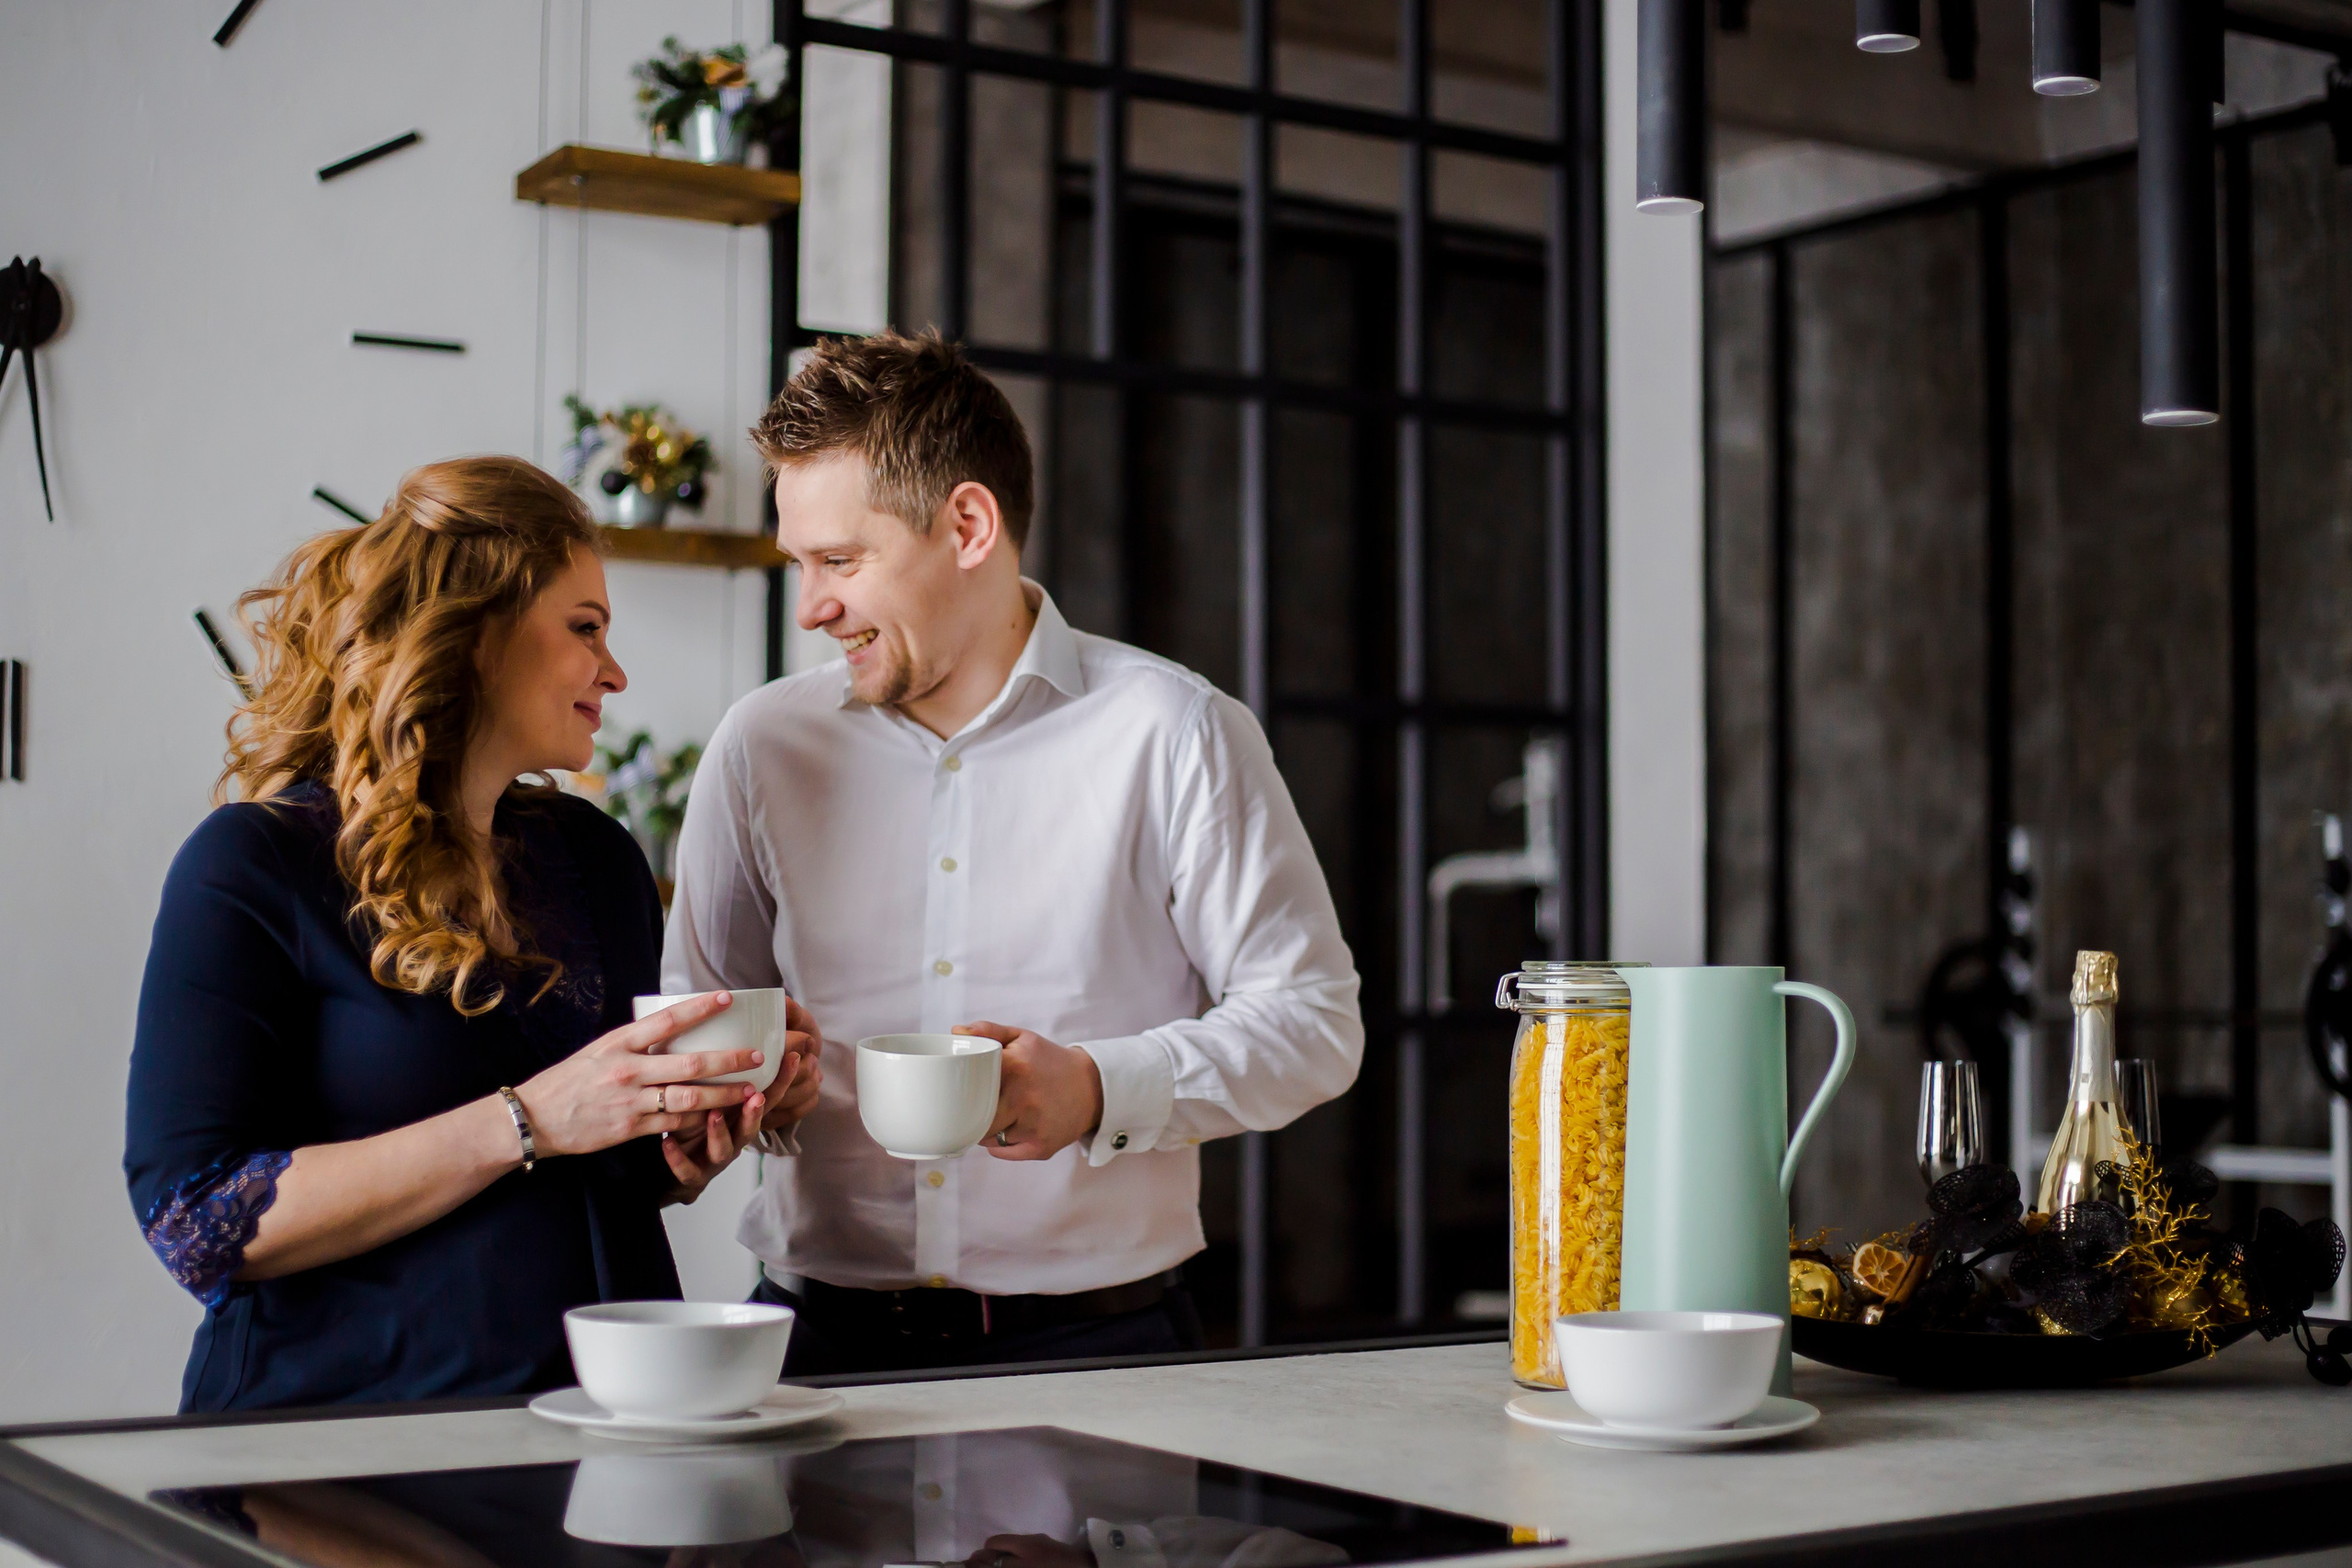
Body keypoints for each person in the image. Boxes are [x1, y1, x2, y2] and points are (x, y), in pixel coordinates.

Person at [663, 332, 1363, 1373]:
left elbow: (1313, 1025)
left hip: (1105, 1350)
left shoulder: (1175, 731)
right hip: (813, 1349)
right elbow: (704, 1026)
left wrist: (1096, 1090)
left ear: (968, 525)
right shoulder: (761, 745)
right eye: (798, 565)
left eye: (841, 562)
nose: (810, 607)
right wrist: (741, 1098)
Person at [122, 456, 822, 1412]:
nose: (614, 672)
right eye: (585, 630)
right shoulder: (253, 865)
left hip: (594, 1433)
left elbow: (581, 1171)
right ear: (476, 636)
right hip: (339, 1454)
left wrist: (681, 1149)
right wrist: (525, 1121)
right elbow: (194, 1222)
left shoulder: (597, 858)